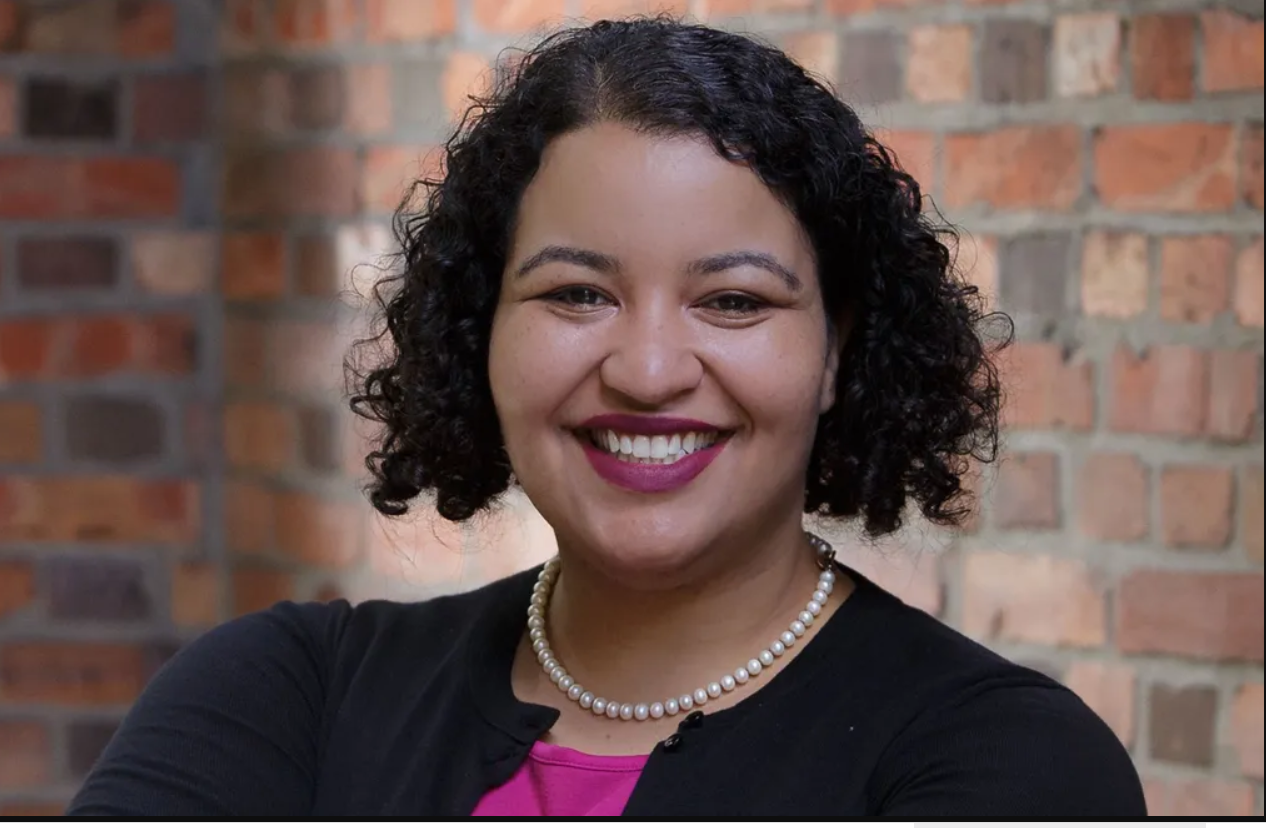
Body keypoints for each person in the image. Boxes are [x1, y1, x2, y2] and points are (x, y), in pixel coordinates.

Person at [69, 17, 1145, 817]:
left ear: (836, 352)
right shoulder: (287, 697)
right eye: (577, 293)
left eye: (735, 301)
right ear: (481, 330)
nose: (648, 370)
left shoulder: (999, 765)